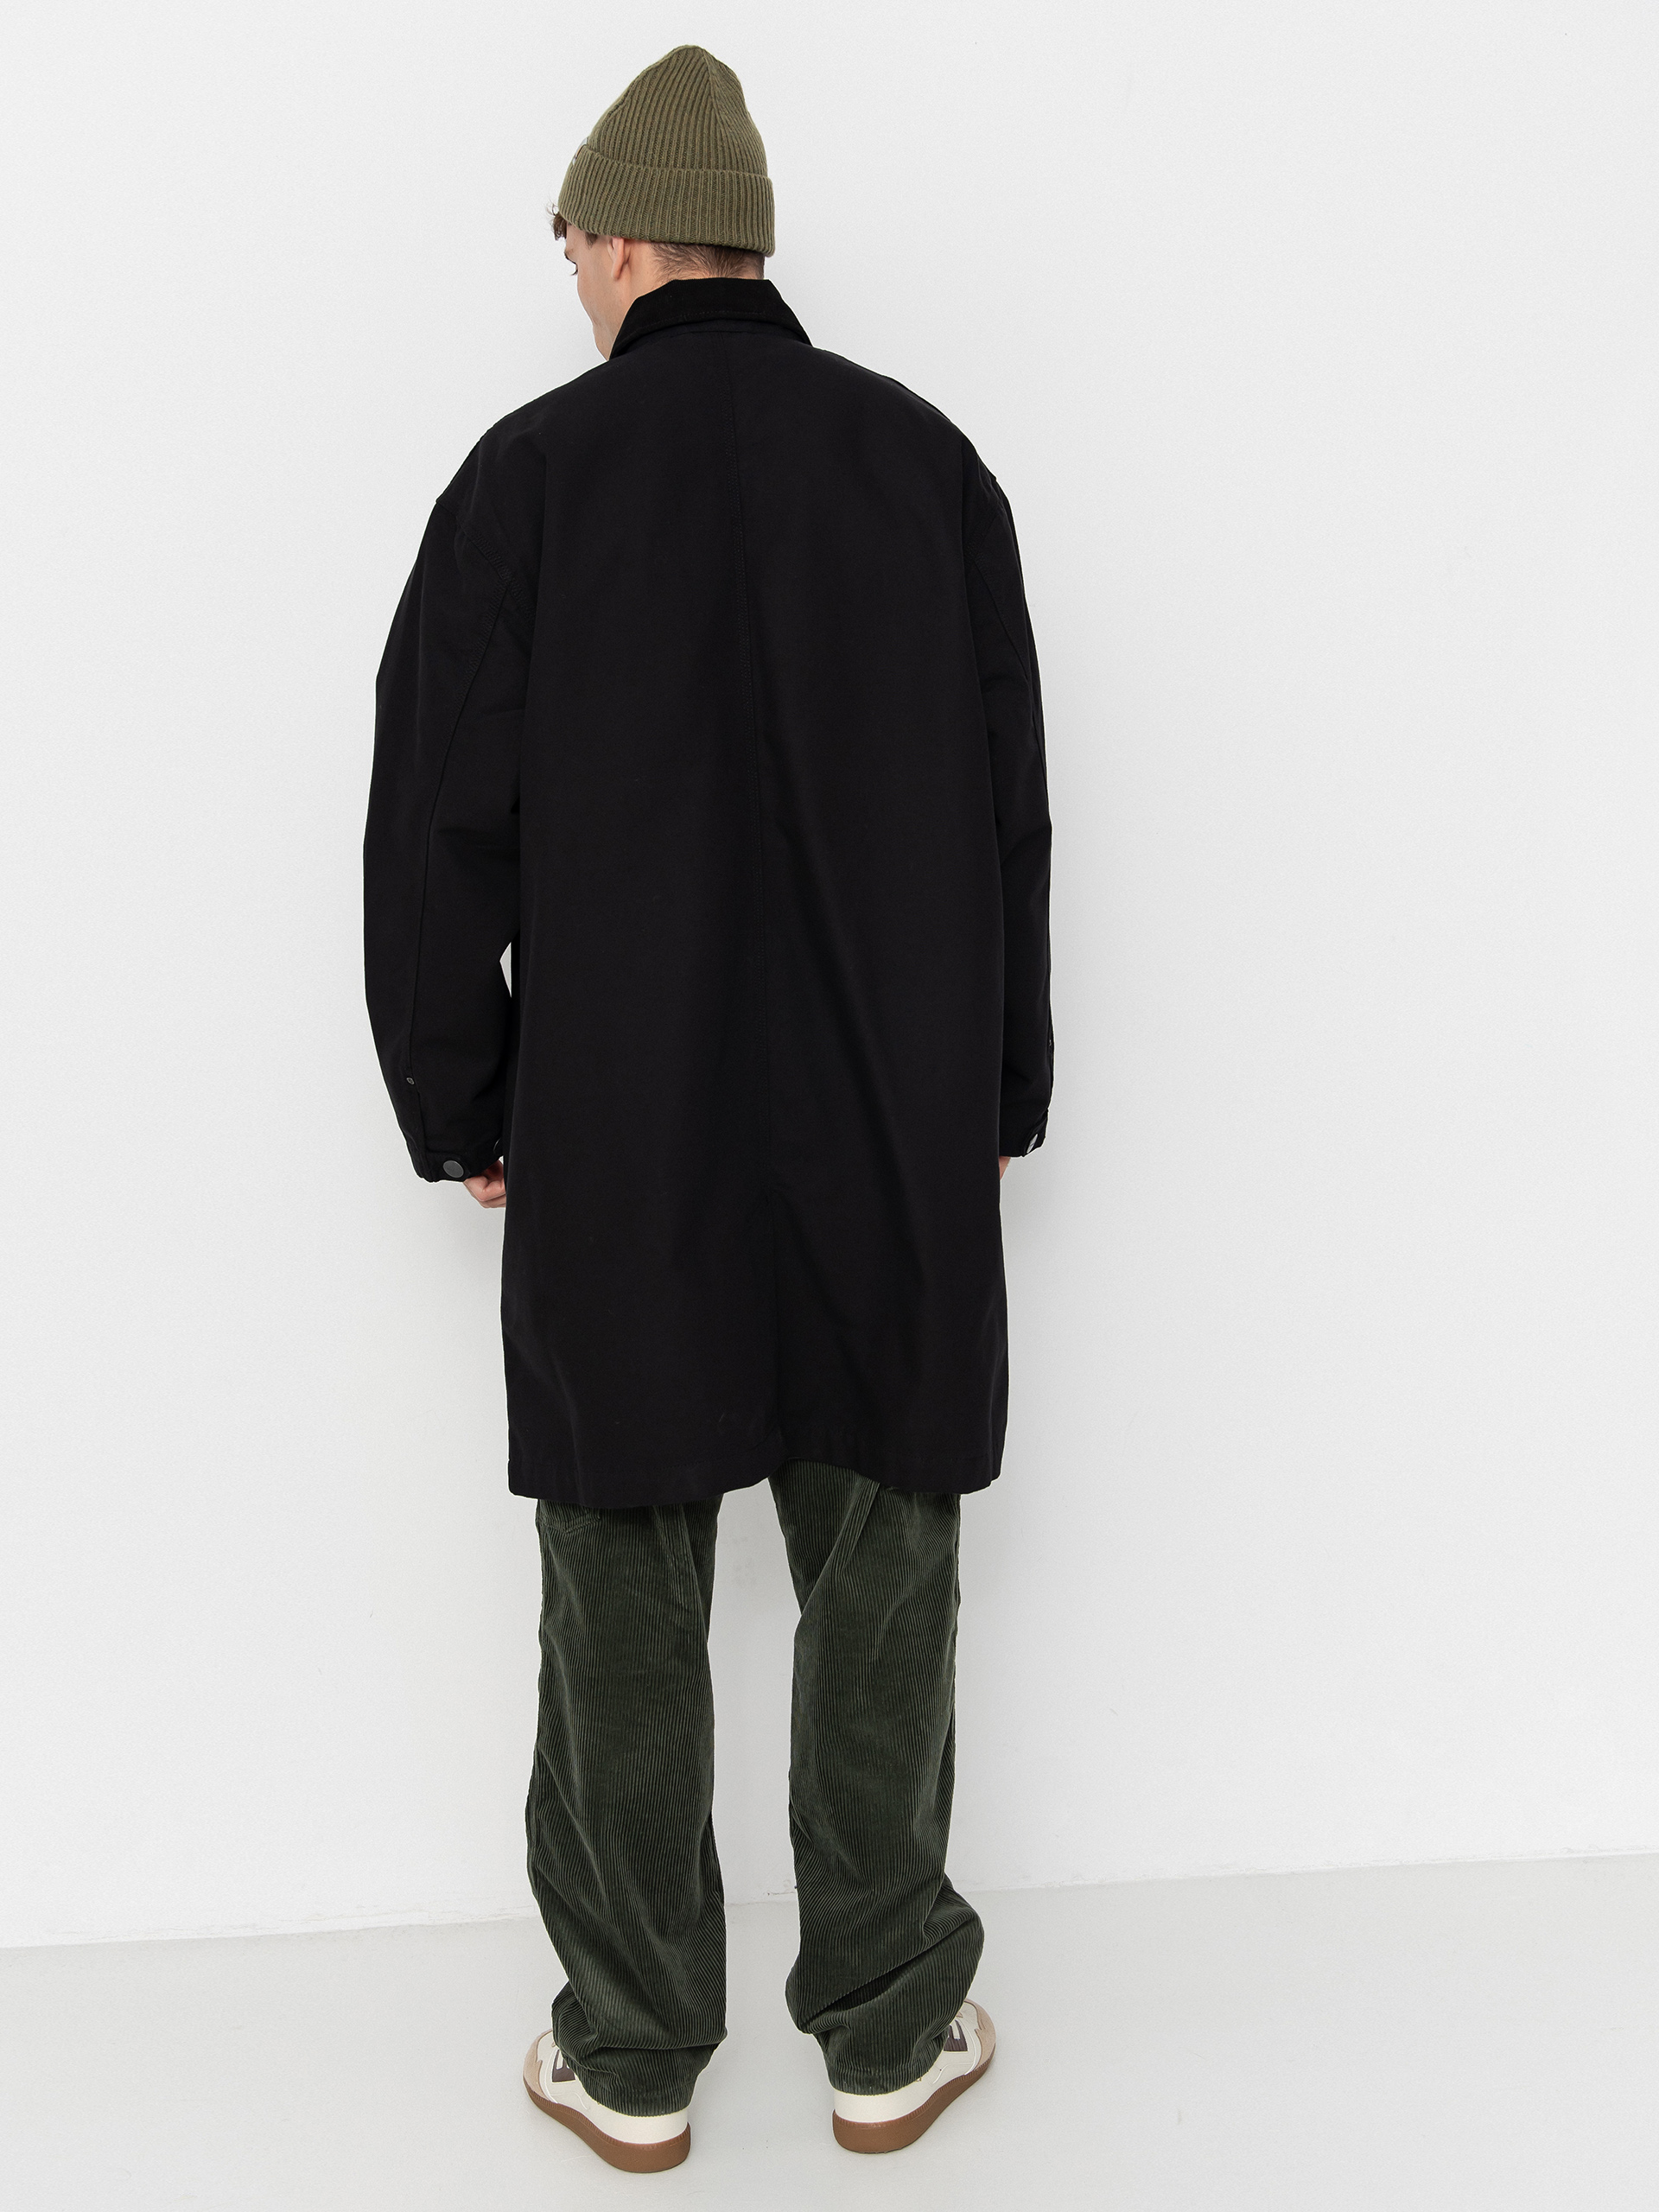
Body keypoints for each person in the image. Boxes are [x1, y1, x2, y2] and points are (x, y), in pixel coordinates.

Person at [364, 43, 1052, 2173]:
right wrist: (1000, 1083)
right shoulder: (927, 469)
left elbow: (432, 828)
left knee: (622, 1571)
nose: (569, 280)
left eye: (572, 243)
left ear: (633, 241)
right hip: (887, 1115)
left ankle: (637, 2047)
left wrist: (461, 1093)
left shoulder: (528, 483)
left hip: (622, 1116)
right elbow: (1008, 815)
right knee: (886, 1555)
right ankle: (889, 2021)